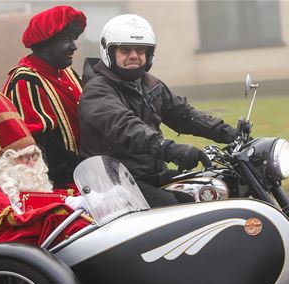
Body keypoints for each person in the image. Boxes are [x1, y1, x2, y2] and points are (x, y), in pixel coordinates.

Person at [78, 14, 237, 207]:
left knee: (211, 189)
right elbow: (126, 127)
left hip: (150, 175)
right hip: (115, 183)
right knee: (175, 212)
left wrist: (229, 134)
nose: (134, 55)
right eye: (125, 50)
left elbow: (184, 115)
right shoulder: (97, 91)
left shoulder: (148, 83)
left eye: (140, 50)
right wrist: (170, 149)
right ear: (109, 52)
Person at [0, 92, 90, 254]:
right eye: (22, 157)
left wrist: (77, 198)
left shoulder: (21, 182)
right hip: (2, 258)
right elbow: (16, 223)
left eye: (33, 155)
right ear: (3, 163)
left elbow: (37, 201)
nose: (31, 162)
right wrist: (64, 207)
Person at [3, 5, 87, 187]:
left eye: (74, 38)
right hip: (55, 183)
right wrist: (86, 171)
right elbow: (43, 148)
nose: (74, 46)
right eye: (66, 39)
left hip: (83, 173)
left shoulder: (67, 73)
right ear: (45, 43)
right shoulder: (26, 80)